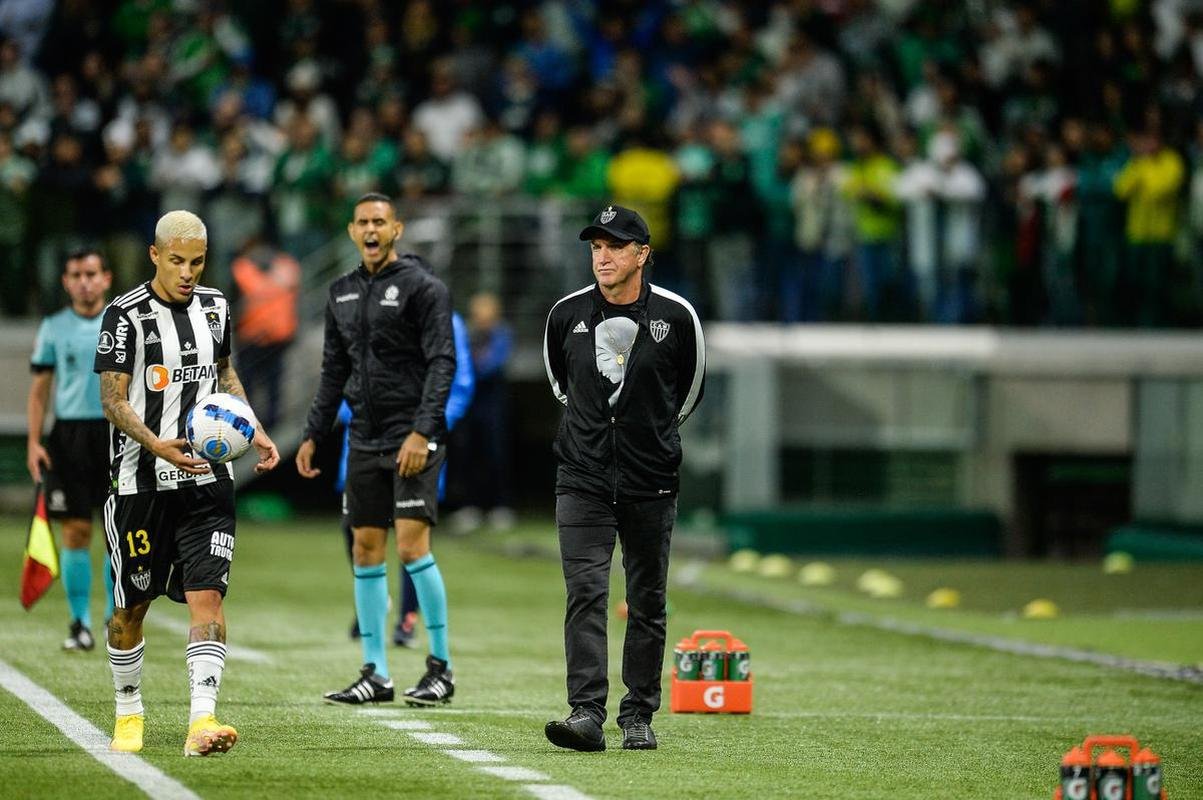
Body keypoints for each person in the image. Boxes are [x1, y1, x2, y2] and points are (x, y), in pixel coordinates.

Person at [93, 210, 280, 756]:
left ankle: (203, 721)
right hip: (139, 485)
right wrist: (156, 444)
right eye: (177, 261)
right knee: (131, 609)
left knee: (208, 599)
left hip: (206, 483)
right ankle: (129, 713)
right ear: (155, 255)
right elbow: (113, 399)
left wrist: (256, 428)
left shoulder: (217, 307)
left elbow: (225, 377)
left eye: (197, 261)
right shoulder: (123, 316)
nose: (188, 272)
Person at [542, 204, 706, 751]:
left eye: (614, 245)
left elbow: (688, 391)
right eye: (595, 246)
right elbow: (562, 386)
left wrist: (646, 435)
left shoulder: (677, 316)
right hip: (582, 477)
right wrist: (596, 435)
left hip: (650, 478)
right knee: (585, 592)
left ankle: (638, 715)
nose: (603, 256)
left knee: (647, 599)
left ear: (643, 253)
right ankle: (585, 712)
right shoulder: (565, 314)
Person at [297, 192, 457, 706]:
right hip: (363, 438)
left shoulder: (423, 288)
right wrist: (314, 434)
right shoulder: (340, 291)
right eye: (363, 222)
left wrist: (422, 430)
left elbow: (442, 362)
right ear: (351, 231)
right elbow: (332, 372)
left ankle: (441, 668)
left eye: (380, 222)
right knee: (365, 551)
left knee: (412, 548)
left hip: (412, 438)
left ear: (396, 230)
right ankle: (376, 673)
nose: (371, 230)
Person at [339, 308, 474, 645]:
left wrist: (429, 430)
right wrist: (347, 411)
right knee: (353, 530)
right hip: (365, 442)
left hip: (414, 443)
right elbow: (344, 369)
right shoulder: (358, 307)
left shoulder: (444, 320)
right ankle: (374, 602)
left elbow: (458, 381)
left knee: (410, 538)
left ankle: (408, 620)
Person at [27, 249, 115, 651]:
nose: (84, 281)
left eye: (91, 273)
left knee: (119, 535)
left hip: (117, 432)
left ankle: (117, 621)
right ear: (65, 281)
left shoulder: (122, 321)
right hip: (69, 438)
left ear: (106, 278)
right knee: (76, 530)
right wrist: (33, 441)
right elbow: (40, 389)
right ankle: (80, 624)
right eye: (76, 274)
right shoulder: (54, 327)